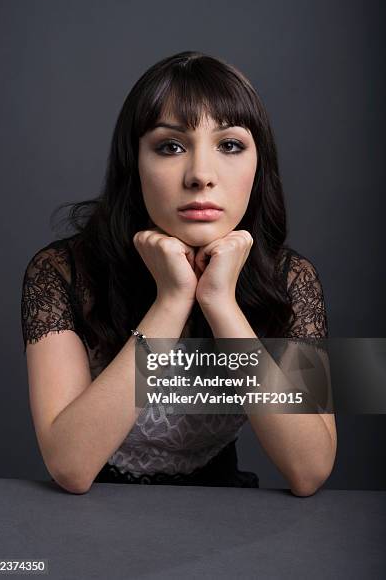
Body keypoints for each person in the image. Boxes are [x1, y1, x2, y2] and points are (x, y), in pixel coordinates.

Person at [21, 50, 337, 495]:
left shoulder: (290, 278)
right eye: (170, 146)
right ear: (135, 164)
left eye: (229, 145)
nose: (200, 175)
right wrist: (171, 302)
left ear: (257, 164)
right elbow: (71, 466)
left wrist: (220, 302)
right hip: (91, 521)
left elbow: (310, 470)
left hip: (221, 514)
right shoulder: (63, 272)